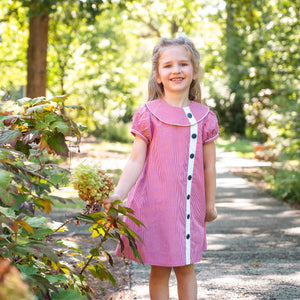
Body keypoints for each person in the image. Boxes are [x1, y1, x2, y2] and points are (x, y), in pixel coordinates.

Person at [104, 35, 219, 300]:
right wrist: (119, 194)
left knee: (186, 266)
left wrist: (210, 205)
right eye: (167, 65)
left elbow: (210, 167)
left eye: (183, 64)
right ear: (157, 75)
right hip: (156, 205)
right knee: (160, 269)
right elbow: (136, 160)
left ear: (194, 71)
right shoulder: (148, 114)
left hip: (188, 208)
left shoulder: (204, 117)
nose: (176, 70)